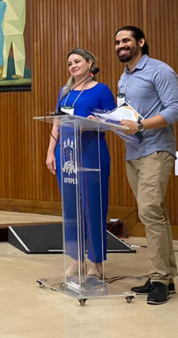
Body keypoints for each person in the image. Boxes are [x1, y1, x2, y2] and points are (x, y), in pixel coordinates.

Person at [114, 26, 178, 305]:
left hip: (157, 149)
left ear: (141, 42)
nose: (121, 45)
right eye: (117, 42)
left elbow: (175, 109)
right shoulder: (124, 77)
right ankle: (165, 276)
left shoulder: (159, 70)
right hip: (133, 154)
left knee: (149, 210)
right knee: (155, 214)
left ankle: (160, 278)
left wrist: (140, 125)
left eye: (126, 40)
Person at [45, 48, 115, 279]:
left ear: (89, 63)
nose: (73, 66)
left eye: (77, 61)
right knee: (71, 209)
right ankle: (77, 260)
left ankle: (96, 263)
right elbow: (57, 123)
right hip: (66, 155)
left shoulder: (101, 90)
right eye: (69, 63)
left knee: (93, 207)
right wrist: (50, 152)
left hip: (91, 154)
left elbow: (113, 122)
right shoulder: (64, 92)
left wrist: (96, 121)